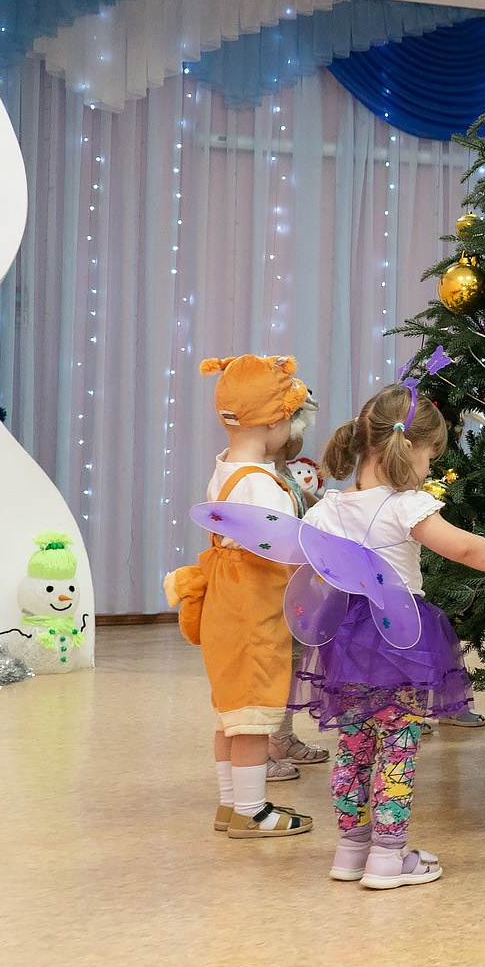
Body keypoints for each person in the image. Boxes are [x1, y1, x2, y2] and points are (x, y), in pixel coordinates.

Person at [293, 382, 485, 889]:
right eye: (432, 455)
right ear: (408, 448)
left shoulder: (326, 508)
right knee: (397, 747)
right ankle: (389, 856)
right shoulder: (406, 506)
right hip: (397, 639)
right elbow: (465, 549)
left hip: (344, 640)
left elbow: (308, 571)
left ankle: (350, 850)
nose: (431, 467)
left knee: (354, 746)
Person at [163, 354, 314, 839]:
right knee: (251, 715)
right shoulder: (260, 484)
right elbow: (284, 548)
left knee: (230, 713)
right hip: (253, 610)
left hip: (227, 606)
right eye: (289, 417)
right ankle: (251, 810)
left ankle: (230, 804)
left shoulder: (227, 468)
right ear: (273, 420)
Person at [266, 391, 329, 780]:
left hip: (298, 591)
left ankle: (282, 737)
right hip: (276, 590)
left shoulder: (284, 474)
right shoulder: (264, 479)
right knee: (275, 669)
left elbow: (311, 504)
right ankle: (265, 747)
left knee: (291, 664)